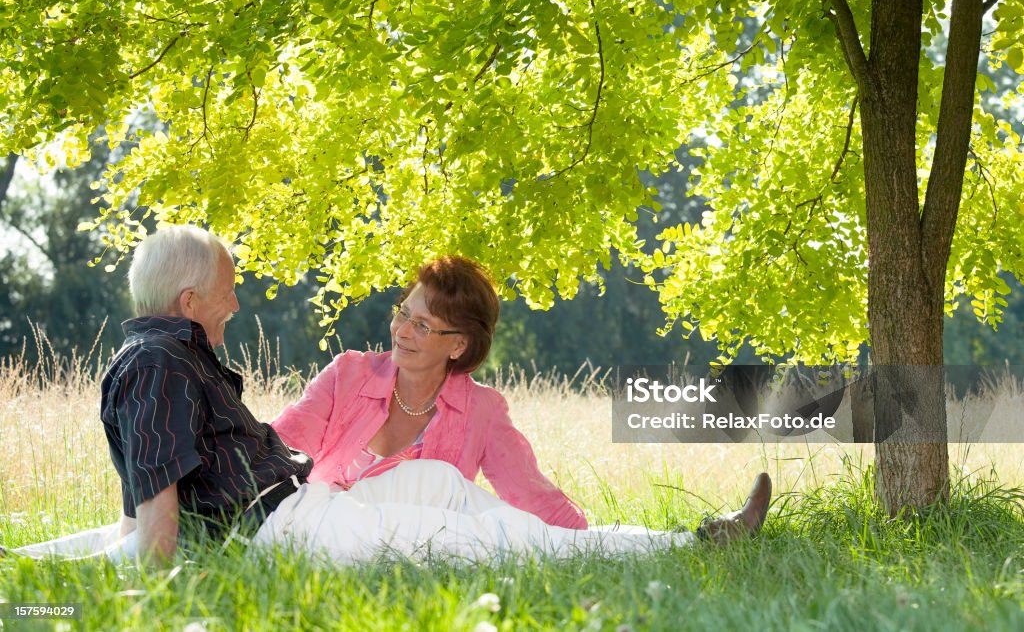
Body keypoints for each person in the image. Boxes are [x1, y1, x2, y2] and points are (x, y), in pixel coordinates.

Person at [7, 225, 771, 564]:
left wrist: (578, 536)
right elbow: (163, 520)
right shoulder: (163, 367)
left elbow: (531, 491)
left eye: (419, 321)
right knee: (485, 545)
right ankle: (693, 541)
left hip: (301, 508)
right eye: (227, 292)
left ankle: (612, 550)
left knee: (462, 493)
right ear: (186, 299)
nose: (237, 306)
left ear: (456, 344)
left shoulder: (175, 361)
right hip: (300, 524)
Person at [270, 255, 586, 529]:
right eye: (403, 313)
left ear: (458, 345)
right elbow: (280, 450)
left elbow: (530, 494)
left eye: (423, 326)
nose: (402, 331)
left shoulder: (480, 410)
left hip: (416, 551)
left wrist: (586, 538)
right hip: (330, 531)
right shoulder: (348, 375)